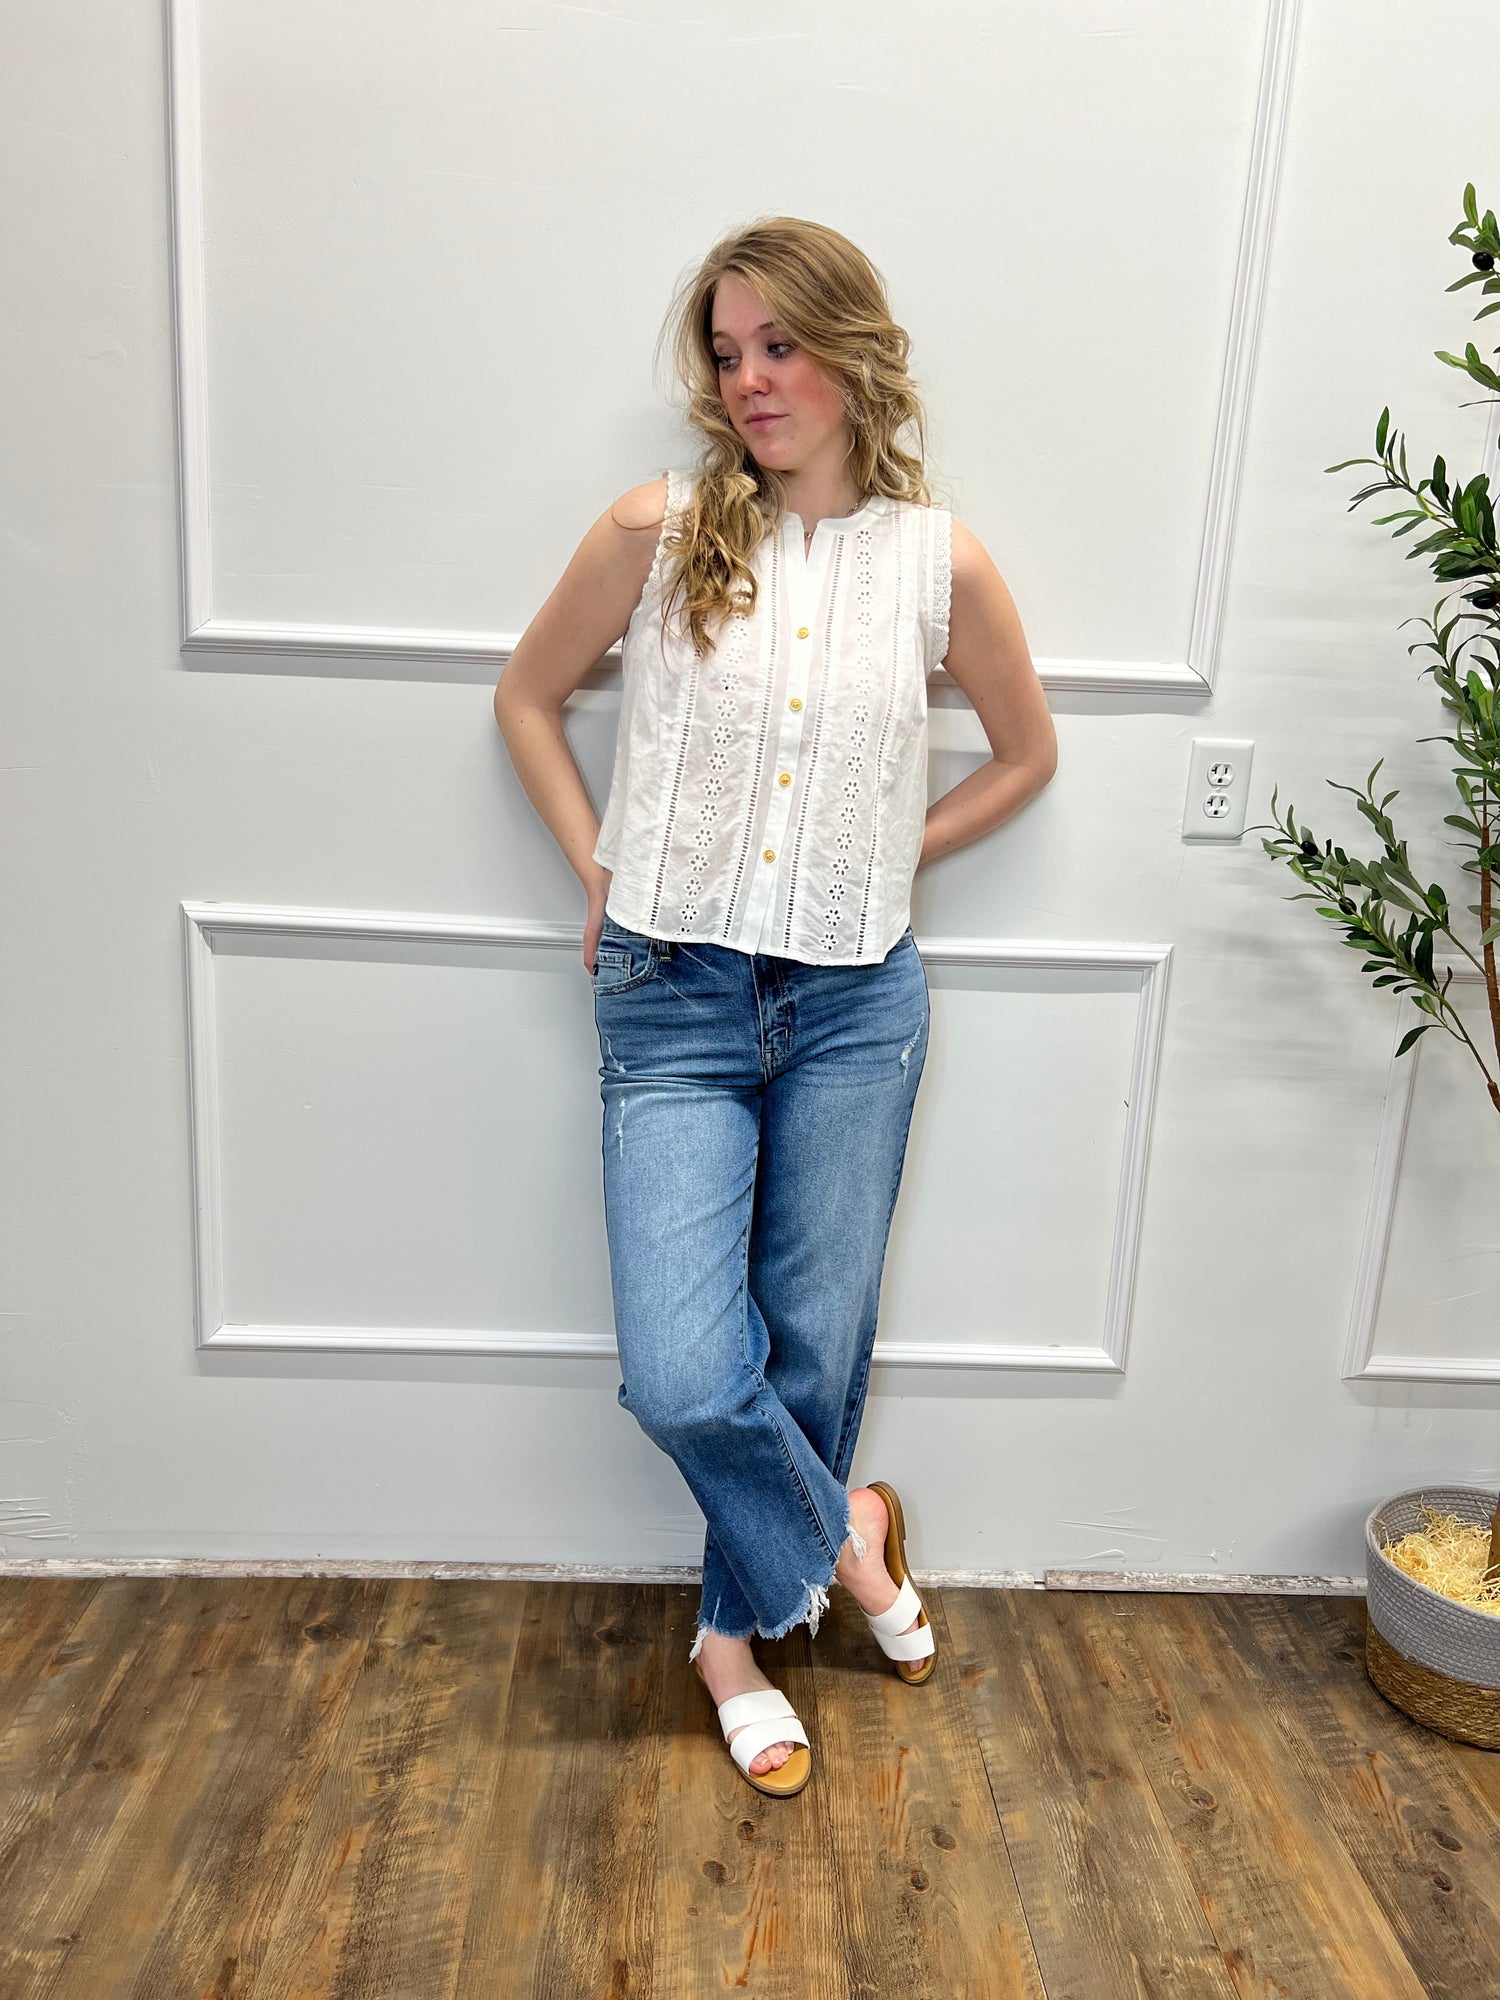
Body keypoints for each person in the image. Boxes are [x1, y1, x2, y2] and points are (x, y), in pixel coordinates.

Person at [494, 216, 1056, 1796]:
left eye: (778, 346)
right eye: (728, 354)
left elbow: (1025, 758)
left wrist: (896, 847)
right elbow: (526, 700)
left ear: (851, 350)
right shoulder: (656, 530)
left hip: (856, 1002)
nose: (749, 381)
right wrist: (597, 856)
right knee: (682, 1370)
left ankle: (733, 1643)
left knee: (810, 1353)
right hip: (670, 993)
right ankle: (854, 1550)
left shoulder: (940, 564)